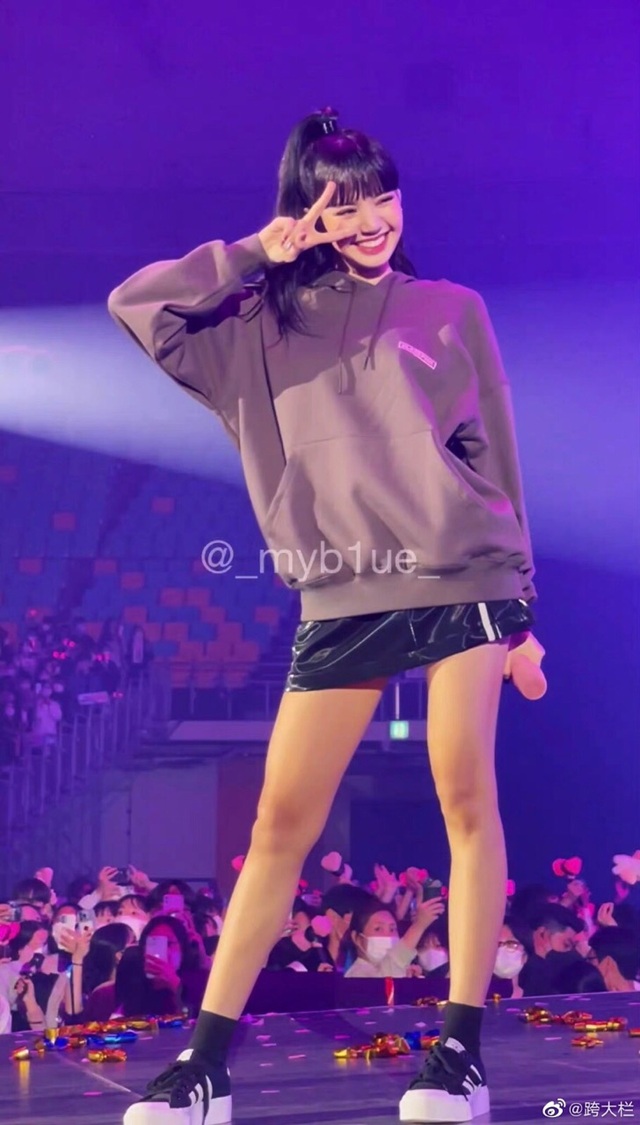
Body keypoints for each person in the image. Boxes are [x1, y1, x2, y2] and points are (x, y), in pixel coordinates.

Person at [109, 107, 543, 1125]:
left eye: (383, 197)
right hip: (341, 597)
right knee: (277, 828)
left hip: (461, 581)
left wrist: (521, 611)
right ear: (304, 212)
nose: (373, 219)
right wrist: (253, 254)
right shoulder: (254, 328)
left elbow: (495, 458)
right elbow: (138, 306)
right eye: (344, 206)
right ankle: (204, 1069)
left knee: (465, 800)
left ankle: (458, 1055)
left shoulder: (451, 308)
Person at [345, 896, 444, 978]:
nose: (388, 936)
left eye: (392, 929)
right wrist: (419, 925)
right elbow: (390, 968)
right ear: (357, 938)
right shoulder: (356, 975)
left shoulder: (398, 970)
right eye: (378, 929)